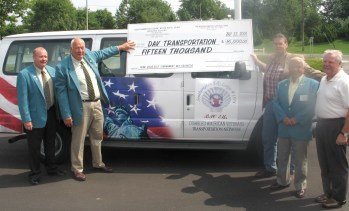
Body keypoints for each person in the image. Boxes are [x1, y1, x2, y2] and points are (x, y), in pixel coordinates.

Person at [55, 38, 135, 181]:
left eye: (82, 47)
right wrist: (66, 114)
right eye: (77, 48)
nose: (80, 51)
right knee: (78, 140)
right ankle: (77, 169)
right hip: (80, 106)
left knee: (97, 136)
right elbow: (61, 94)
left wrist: (120, 47)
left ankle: (98, 163)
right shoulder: (63, 67)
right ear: (71, 49)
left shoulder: (89, 55)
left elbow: (104, 53)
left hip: (97, 104)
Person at [251, 33, 324, 178]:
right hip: (272, 104)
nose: (278, 46)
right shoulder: (271, 58)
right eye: (275, 43)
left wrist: (328, 76)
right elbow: (267, 70)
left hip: (288, 104)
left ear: (286, 45)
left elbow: (308, 71)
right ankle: (270, 167)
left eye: (280, 43)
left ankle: (290, 171)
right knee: (268, 137)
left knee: (289, 138)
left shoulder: (293, 58)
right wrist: (256, 60)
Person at [270, 57, 319, 198]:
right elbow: (275, 103)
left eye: (298, 66)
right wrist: (283, 117)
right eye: (292, 66)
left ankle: (300, 185)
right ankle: (282, 181)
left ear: (303, 68)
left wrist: (297, 119)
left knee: (300, 159)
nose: (295, 69)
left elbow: (312, 105)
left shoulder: (313, 84)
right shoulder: (282, 84)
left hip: (301, 127)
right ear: (288, 68)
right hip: (284, 126)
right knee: (283, 156)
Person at [17, 47, 65, 185]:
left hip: (51, 113)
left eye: (45, 56)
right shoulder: (24, 74)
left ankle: (52, 168)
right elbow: (22, 100)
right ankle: (35, 173)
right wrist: (26, 119)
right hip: (34, 117)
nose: (44, 59)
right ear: (34, 57)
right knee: (34, 147)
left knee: (50, 144)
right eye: (40, 56)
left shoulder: (51, 70)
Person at [314, 50, 348, 209]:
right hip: (322, 126)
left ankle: (338, 197)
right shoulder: (324, 79)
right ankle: (328, 193)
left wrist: (344, 133)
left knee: (337, 165)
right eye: (325, 61)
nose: (326, 64)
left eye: (330, 62)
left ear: (339, 63)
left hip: (337, 126)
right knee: (325, 163)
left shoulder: (344, 82)